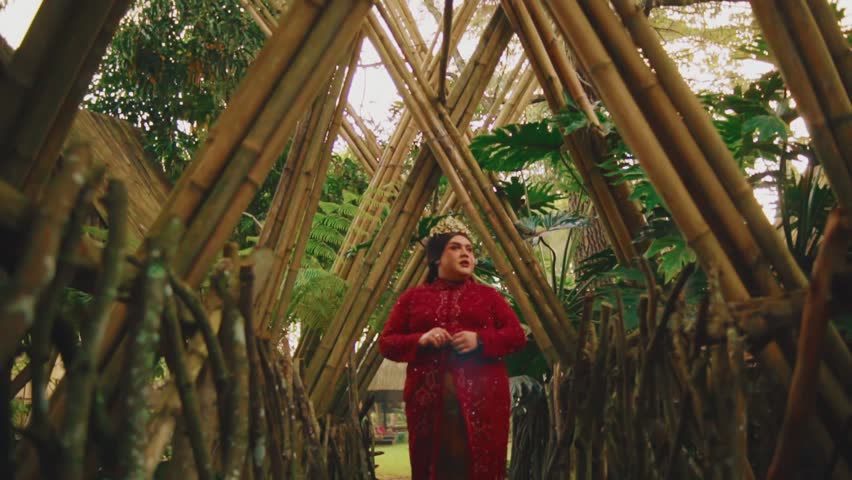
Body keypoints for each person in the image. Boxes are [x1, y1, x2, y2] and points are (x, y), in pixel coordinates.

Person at [378, 219, 527, 479]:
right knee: (432, 467)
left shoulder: (489, 297)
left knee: (481, 467)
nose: (465, 254)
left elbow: (516, 336)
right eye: (456, 248)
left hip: (484, 404)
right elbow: (386, 343)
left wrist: (479, 340)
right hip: (428, 405)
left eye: (469, 249)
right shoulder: (412, 299)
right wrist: (421, 339)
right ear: (437, 257)